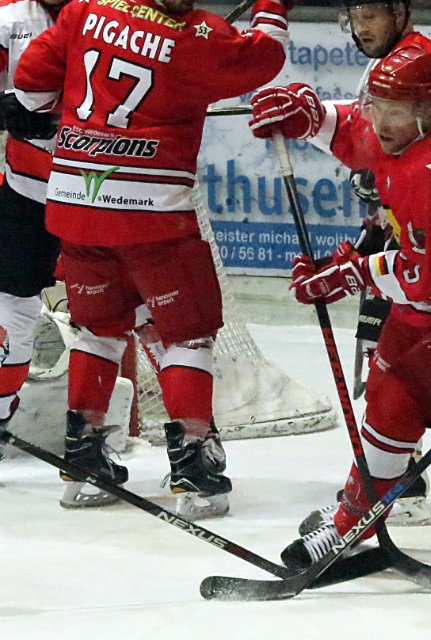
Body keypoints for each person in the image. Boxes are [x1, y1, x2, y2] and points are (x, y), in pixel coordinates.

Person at [247, 45, 431, 569]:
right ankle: (362, 505)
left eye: (396, 109)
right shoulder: (412, 129)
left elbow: (423, 276)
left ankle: (352, 523)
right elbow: (356, 134)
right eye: (377, 104)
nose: (381, 121)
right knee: (390, 379)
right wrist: (311, 114)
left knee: (400, 390)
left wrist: (348, 273)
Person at [13, 0, 291, 519]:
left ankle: (84, 458)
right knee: (187, 333)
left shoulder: (82, 10)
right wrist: (273, 8)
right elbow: (265, 56)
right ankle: (194, 467)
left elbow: (30, 88)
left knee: (99, 329)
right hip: (152, 214)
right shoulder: (197, 34)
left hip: (75, 201)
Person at [326, 0, 431, 526]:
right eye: (355, 17)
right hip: (401, 226)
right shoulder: (391, 62)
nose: (362, 28)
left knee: (399, 360)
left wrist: (383, 176)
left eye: (372, 15)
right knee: (384, 346)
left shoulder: (425, 60)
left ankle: (399, 483)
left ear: (401, 12)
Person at [0, 0, 66, 457]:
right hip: (29, 190)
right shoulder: (8, 18)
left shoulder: (119, 14)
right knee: (11, 305)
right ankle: (1, 411)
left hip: (112, 194)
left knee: (130, 314)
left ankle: (195, 443)